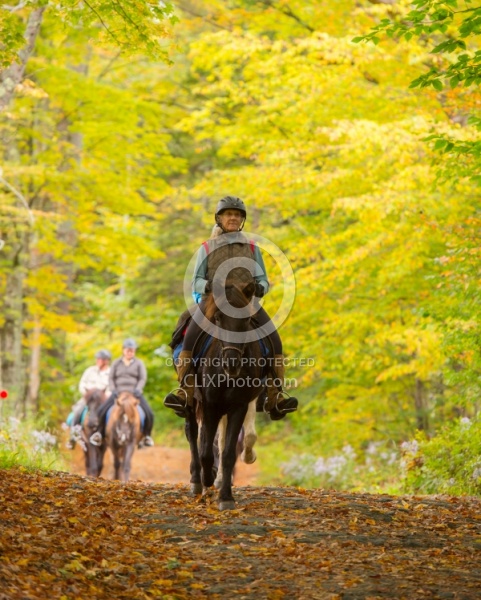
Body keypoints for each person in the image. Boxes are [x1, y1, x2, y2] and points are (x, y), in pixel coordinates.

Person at [163, 195, 298, 420]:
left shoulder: (252, 248)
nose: (233, 218)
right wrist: (208, 285)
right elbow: (195, 280)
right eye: (229, 215)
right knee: (189, 337)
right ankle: (185, 390)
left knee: (274, 339)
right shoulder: (207, 247)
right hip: (213, 301)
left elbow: (263, 279)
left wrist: (260, 287)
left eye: (237, 215)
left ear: (242, 220)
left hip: (246, 303)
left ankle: (276, 395)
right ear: (220, 218)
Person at [89, 339, 155, 447]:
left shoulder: (139, 363)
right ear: (123, 350)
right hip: (118, 394)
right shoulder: (116, 363)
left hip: (134, 394)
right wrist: (113, 389)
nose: (130, 352)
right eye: (128, 350)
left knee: (150, 413)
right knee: (101, 410)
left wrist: (138, 389)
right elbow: (111, 378)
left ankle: (147, 436)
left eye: (132, 350)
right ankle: (99, 433)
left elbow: (142, 378)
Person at [66, 349, 111, 449]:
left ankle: (113, 436)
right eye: (98, 359)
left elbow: (111, 388)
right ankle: (72, 437)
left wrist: (104, 396)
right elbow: (82, 383)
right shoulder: (90, 370)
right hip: (89, 399)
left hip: (102, 400)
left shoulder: (110, 373)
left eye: (101, 359)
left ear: (106, 361)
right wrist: (87, 394)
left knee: (112, 414)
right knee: (77, 411)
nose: (98, 361)